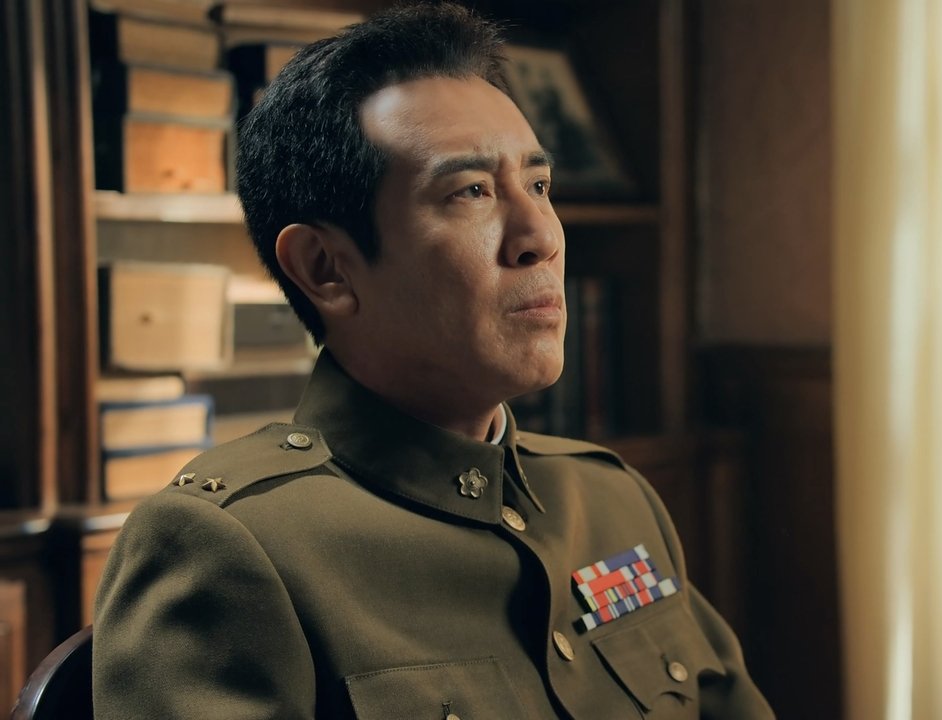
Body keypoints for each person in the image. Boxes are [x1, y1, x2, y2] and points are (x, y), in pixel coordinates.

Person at [91, 3, 774, 718]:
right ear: (326, 268)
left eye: (539, 186)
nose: (541, 237)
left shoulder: (611, 498)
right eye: (471, 191)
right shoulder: (230, 547)